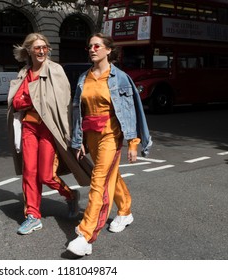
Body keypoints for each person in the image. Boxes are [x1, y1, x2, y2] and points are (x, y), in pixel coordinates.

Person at [66, 33, 152, 256]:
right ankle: (125, 210)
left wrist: (134, 142)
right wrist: (80, 140)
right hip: (91, 136)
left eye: (97, 46)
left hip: (111, 135)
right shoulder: (83, 78)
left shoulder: (120, 78)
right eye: (90, 46)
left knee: (100, 181)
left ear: (108, 50)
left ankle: (86, 235)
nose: (92, 49)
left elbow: (131, 111)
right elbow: (79, 112)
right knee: (111, 175)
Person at [7, 33, 92, 235]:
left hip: (49, 128)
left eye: (45, 47)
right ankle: (33, 216)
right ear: (29, 50)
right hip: (29, 127)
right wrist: (32, 98)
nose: (42, 51)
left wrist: (30, 98)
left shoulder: (55, 70)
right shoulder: (24, 72)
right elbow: (16, 102)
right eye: (37, 48)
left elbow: (61, 103)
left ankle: (71, 195)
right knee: (29, 172)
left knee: (46, 174)